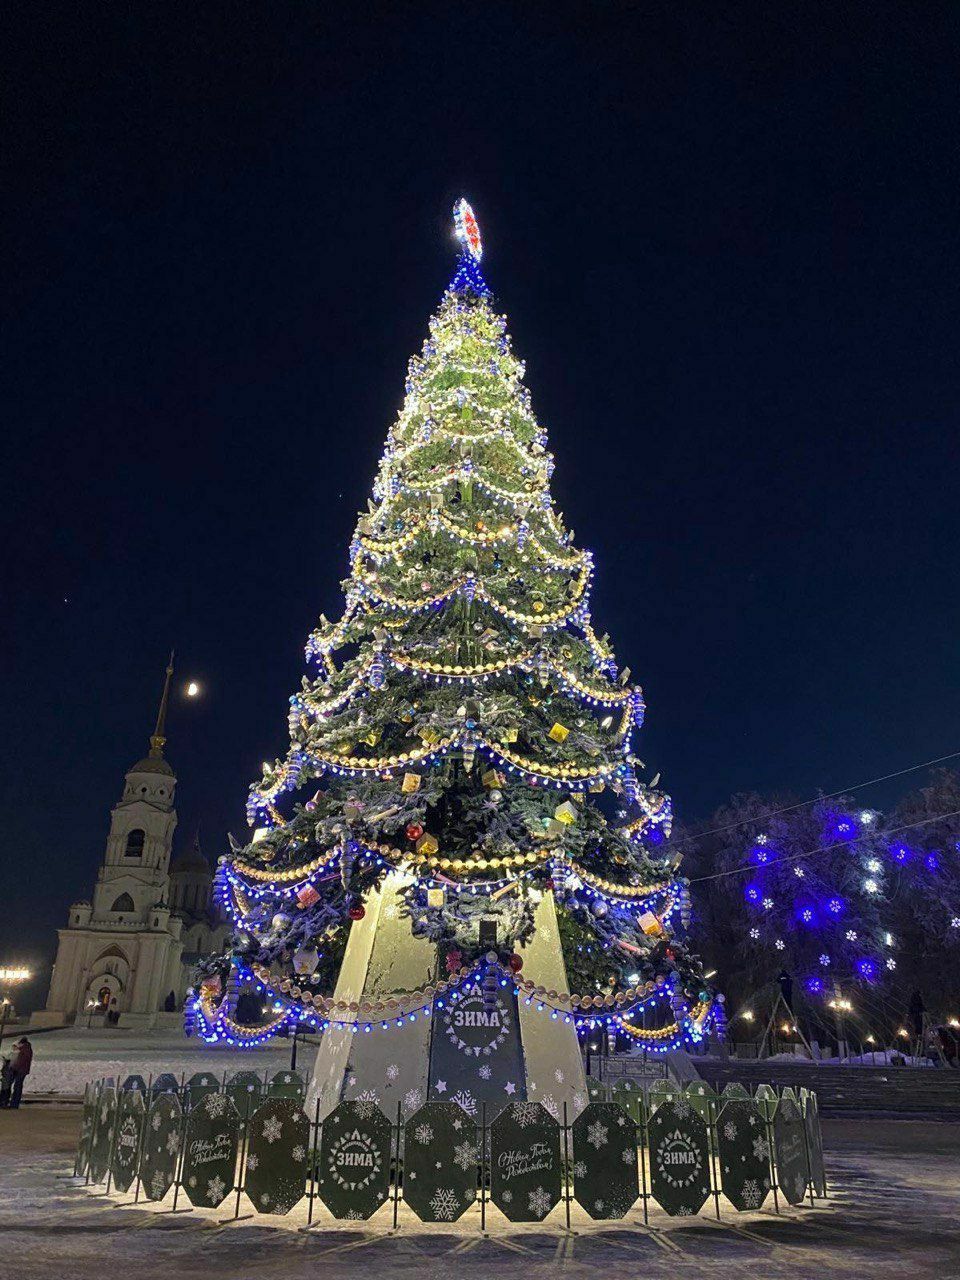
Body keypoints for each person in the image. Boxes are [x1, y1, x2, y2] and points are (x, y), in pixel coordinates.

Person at [6, 1037, 33, 1109]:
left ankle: (13, 1104)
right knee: (17, 1086)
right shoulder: (26, 1049)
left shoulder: (23, 1050)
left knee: (17, 1086)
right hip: (21, 1070)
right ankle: (13, 1104)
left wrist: (13, 1067)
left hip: (19, 1070)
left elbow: (20, 1061)